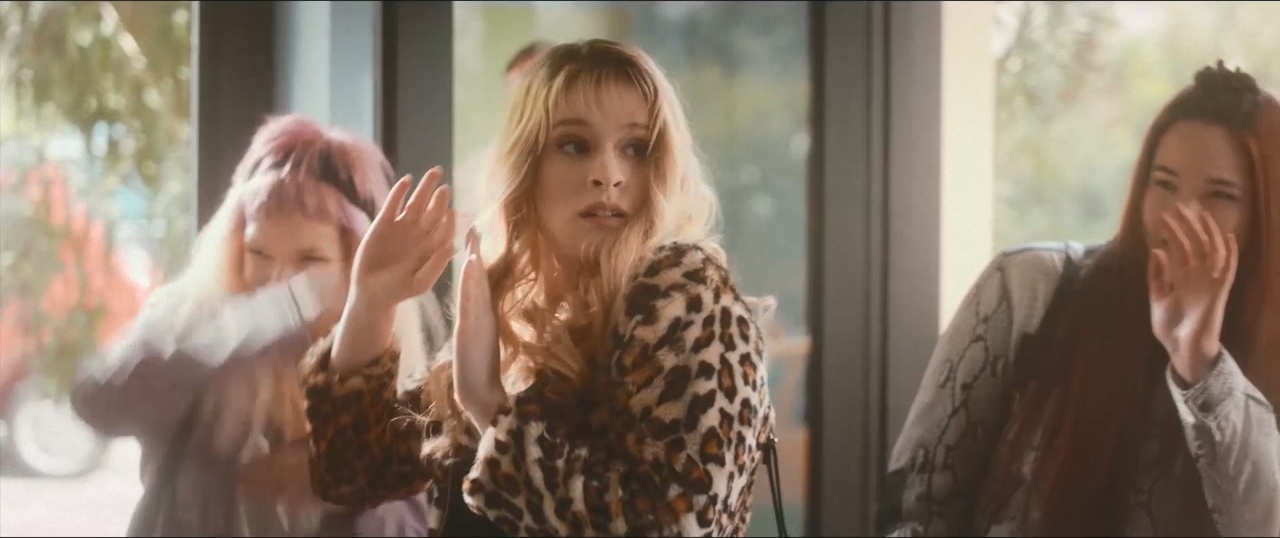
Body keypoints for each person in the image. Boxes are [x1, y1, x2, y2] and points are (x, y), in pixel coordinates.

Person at [300, 39, 778, 536]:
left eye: (635, 149)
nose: (608, 175)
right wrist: (371, 299)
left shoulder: (688, 294)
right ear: (527, 166)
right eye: (575, 145)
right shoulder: (519, 316)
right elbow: (353, 473)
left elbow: (676, 526)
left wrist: (489, 406)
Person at [881, 61, 1280, 536]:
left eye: (1220, 195)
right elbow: (920, 502)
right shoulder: (1031, 289)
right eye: (1164, 184)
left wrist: (1200, 358)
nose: (1181, 216)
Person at [71, 114, 434, 536]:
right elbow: (99, 403)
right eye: (258, 253)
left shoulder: (391, 380)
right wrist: (268, 315)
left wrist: (338, 479)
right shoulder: (190, 327)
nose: (278, 280)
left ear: (356, 268)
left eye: (310, 260)